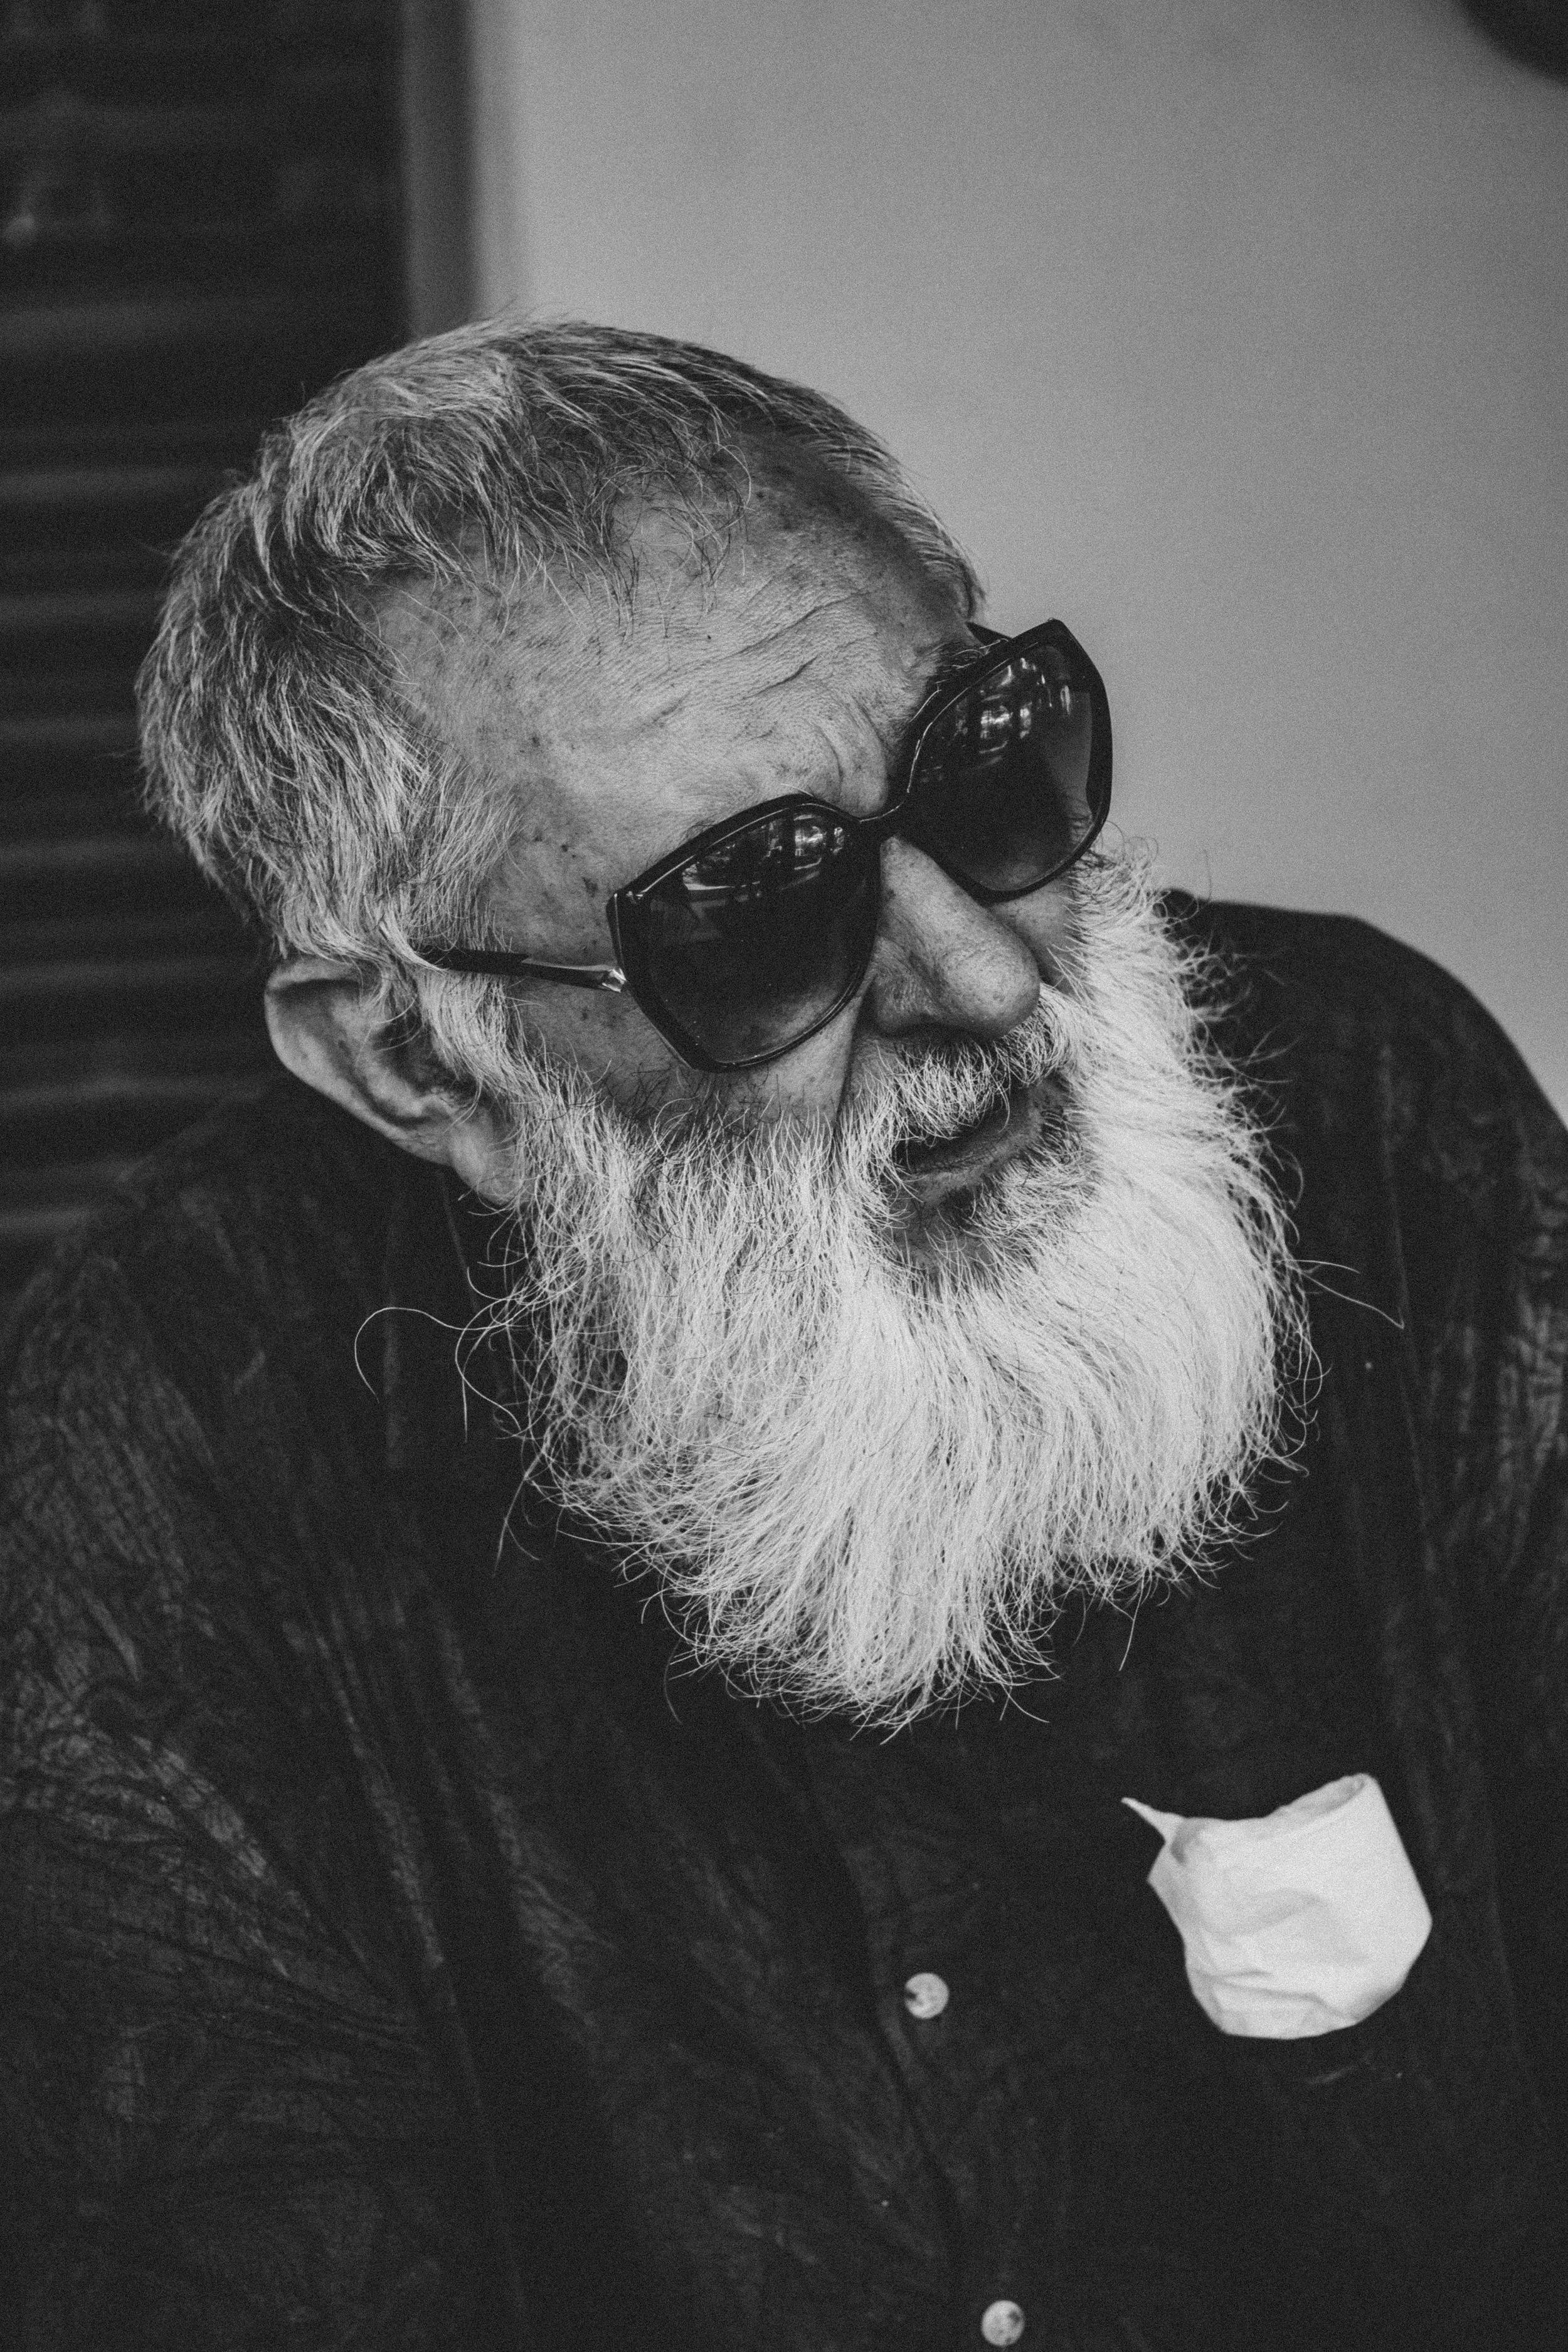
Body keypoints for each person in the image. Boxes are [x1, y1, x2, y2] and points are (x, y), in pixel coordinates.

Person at [1, 322, 1564, 2352]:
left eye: (989, 771)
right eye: (752, 912)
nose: (988, 978)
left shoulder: (1369, 1110)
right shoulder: (155, 1466)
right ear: (412, 1057)